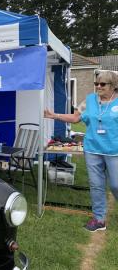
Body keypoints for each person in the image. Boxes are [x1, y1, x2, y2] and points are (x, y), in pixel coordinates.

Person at [44, 71, 118, 232]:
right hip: (92, 149)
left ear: (113, 86)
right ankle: (99, 220)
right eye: (96, 83)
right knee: (96, 184)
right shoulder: (90, 100)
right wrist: (53, 115)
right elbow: (75, 118)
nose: (98, 86)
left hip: (114, 151)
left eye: (103, 84)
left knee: (115, 184)